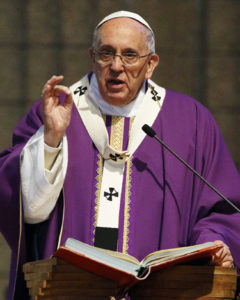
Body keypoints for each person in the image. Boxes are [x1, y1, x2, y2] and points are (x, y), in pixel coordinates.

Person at [0, 11, 240, 299]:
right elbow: (22, 203)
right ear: (92, 56)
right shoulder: (57, 111)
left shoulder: (191, 122)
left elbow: (221, 209)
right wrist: (50, 138)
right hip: (71, 290)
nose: (116, 66)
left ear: (151, 64)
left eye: (129, 55)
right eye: (106, 53)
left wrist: (214, 245)